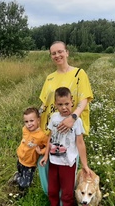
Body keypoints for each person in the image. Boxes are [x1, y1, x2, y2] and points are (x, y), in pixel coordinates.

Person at [38, 41, 93, 194]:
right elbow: (44, 103)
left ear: (67, 52)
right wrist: (35, 118)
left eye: (60, 51)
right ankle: (51, 196)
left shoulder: (78, 74)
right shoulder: (49, 78)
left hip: (71, 127)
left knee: (67, 164)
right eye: (53, 53)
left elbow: (84, 99)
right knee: (49, 166)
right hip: (51, 128)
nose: (57, 55)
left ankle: (67, 197)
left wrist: (73, 118)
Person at [40, 87, 93, 206]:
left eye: (67, 104)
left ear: (72, 101)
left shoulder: (77, 121)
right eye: (60, 104)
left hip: (68, 164)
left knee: (67, 194)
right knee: (52, 191)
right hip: (53, 162)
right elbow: (50, 137)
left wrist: (85, 165)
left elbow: (80, 143)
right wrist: (45, 156)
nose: (64, 107)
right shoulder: (54, 118)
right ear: (55, 104)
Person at [9, 107, 48, 191]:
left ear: (38, 120)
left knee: (26, 183)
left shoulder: (41, 136)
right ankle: (19, 178)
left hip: (30, 164)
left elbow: (48, 146)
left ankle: (20, 185)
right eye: (26, 121)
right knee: (21, 172)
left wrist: (41, 151)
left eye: (31, 121)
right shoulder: (25, 129)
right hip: (20, 159)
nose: (29, 124)